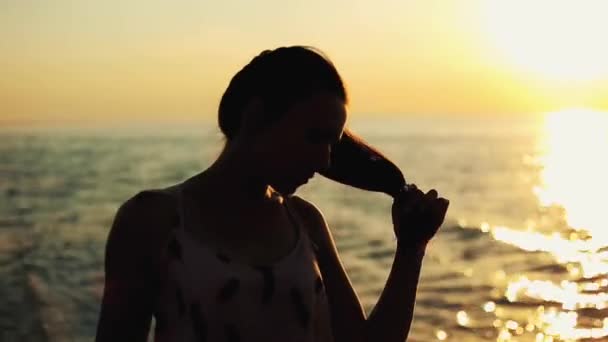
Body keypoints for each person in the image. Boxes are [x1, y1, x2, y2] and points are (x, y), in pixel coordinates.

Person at [95, 46, 449, 342]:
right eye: (315, 137)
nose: (326, 159)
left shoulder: (305, 224)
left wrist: (411, 248)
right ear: (256, 117)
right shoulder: (153, 220)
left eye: (333, 143)